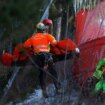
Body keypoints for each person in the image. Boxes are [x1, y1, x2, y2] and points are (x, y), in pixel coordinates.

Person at [23, 22, 61, 97]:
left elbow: (25, 45)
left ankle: (44, 91)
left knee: (42, 74)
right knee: (53, 72)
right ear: (43, 29)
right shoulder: (48, 36)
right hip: (47, 56)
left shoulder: (32, 37)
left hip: (38, 57)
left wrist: (32, 47)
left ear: (37, 30)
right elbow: (55, 43)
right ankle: (58, 89)